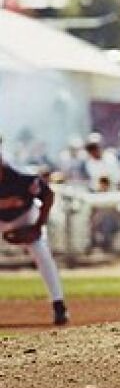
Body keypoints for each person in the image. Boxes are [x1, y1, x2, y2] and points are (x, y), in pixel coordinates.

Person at [0, 135, 69, 325]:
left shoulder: (21, 177)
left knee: (42, 253)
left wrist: (38, 226)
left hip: (25, 217)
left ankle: (58, 305)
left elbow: (48, 195)